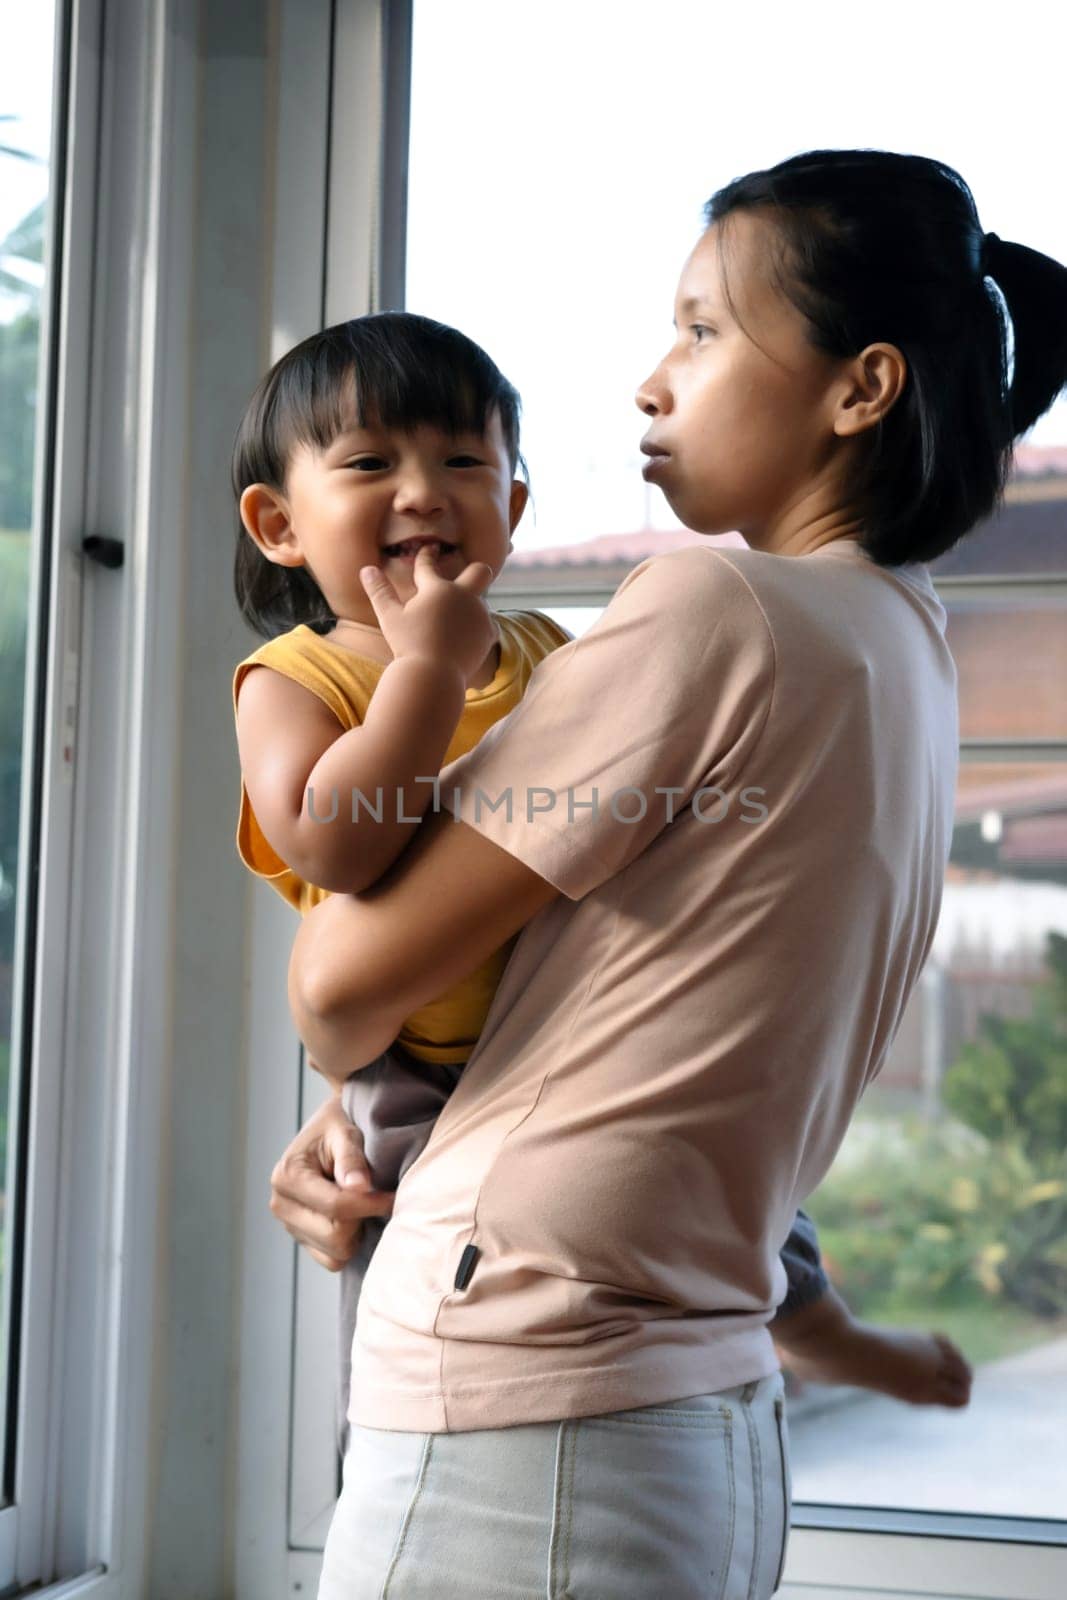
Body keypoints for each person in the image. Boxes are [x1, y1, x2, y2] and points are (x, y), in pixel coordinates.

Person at [274, 146, 1067, 1597]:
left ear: (859, 387)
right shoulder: (902, 642)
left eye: (701, 330)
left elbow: (334, 993)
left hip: (526, 1396)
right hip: (691, 1406)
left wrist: (409, 688)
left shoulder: (717, 607)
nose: (651, 381)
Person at [227, 310, 950, 1469]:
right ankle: (384, 1460)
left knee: (753, 1214)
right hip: (422, 1073)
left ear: (512, 508)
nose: (423, 492)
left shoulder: (545, 653)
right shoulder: (295, 679)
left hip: (582, 1035)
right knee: (404, 1267)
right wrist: (423, 671)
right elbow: (334, 843)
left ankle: (819, 1330)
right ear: (276, 523)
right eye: (370, 463)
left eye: (463, 462)